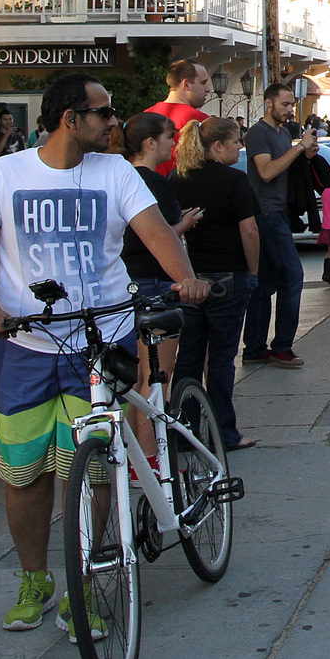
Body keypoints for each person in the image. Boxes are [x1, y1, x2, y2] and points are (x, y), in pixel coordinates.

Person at [0, 74, 209, 637]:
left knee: (92, 471)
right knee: (23, 475)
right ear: (71, 118)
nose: (115, 121)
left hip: (101, 341)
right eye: (104, 112)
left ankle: (85, 584)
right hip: (22, 346)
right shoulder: (5, 175)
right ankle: (34, 580)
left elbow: (157, 234)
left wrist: (186, 280)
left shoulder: (116, 172)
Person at [173, 116, 261, 452]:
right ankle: (224, 431)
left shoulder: (176, 180)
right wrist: (252, 272)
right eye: (237, 141)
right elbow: (249, 231)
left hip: (190, 275)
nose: (241, 148)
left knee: (189, 356)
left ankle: (184, 429)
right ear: (218, 146)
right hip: (228, 275)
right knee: (222, 357)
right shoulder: (234, 180)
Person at [119, 112, 200, 458]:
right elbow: (157, 237)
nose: (174, 144)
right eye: (170, 137)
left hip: (125, 283)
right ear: (150, 143)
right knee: (156, 380)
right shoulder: (152, 183)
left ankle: (132, 455)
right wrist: (184, 224)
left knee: (134, 380)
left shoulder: (118, 177)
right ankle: (150, 460)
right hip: (155, 283)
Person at [242, 84, 312, 369]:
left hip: (279, 211)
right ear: (268, 103)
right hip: (266, 213)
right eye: (284, 104)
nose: (290, 109)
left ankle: (255, 347)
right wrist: (299, 150)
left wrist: (304, 153)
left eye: (291, 104)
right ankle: (282, 346)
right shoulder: (259, 132)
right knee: (293, 275)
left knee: (264, 283)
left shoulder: (284, 133)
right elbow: (266, 171)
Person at [140, 60, 212, 172]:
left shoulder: (145, 116)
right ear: (186, 84)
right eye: (203, 83)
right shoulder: (201, 120)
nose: (208, 88)